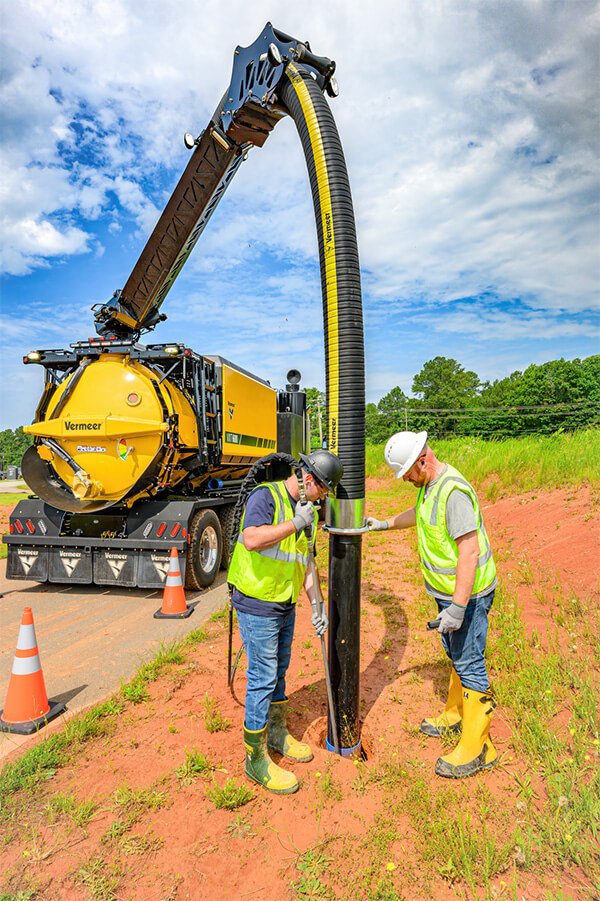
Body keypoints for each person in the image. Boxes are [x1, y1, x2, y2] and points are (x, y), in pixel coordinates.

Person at [367, 431, 498, 779]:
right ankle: (456, 717)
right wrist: (384, 524)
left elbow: (468, 552)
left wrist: (457, 607)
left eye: (408, 473)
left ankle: (479, 747)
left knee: (470, 664)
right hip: (449, 596)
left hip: (467, 597)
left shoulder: (452, 492)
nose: (407, 480)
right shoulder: (431, 488)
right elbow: (420, 513)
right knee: (457, 656)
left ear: (421, 462)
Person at [228, 449, 344, 794]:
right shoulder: (266, 496)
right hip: (257, 602)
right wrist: (296, 522)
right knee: (262, 677)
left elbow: (305, 561)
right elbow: (251, 539)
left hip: (283, 603)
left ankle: (277, 733)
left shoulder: (306, 512)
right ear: (309, 481)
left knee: (278, 671)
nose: (323, 499)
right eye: (324, 490)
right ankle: (255, 759)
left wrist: (318, 605)